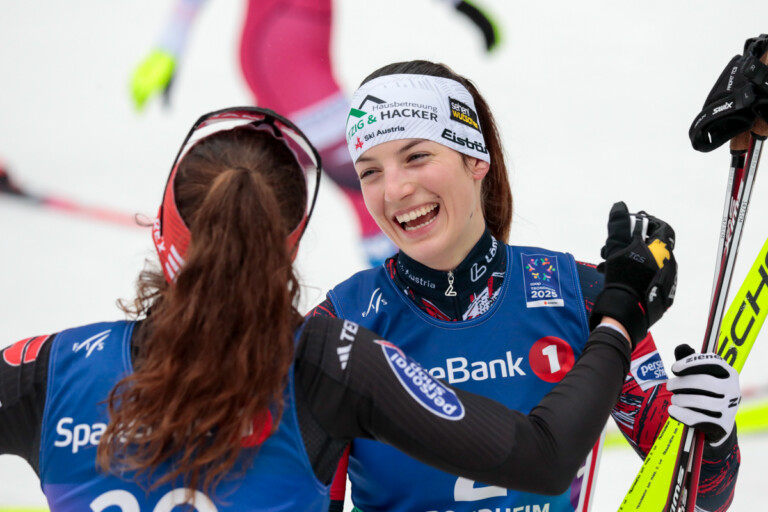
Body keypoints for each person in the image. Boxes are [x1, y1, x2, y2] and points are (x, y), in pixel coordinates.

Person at [0, 106, 676, 510]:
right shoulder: (328, 361)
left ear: (161, 232)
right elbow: (544, 458)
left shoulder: (49, 371)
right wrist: (617, 316)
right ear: (289, 246)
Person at [308, 61, 743, 512]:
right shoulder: (340, 327)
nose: (394, 190)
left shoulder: (586, 298)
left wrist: (713, 432)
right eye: (370, 172)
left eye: (416, 156)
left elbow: (698, 494)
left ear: (475, 158)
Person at [128, 0, 501, 267]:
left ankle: (213, 293)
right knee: (373, 184)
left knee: (260, 190)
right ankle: (419, 310)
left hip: (286, 54)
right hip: (287, 63)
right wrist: (168, 47)